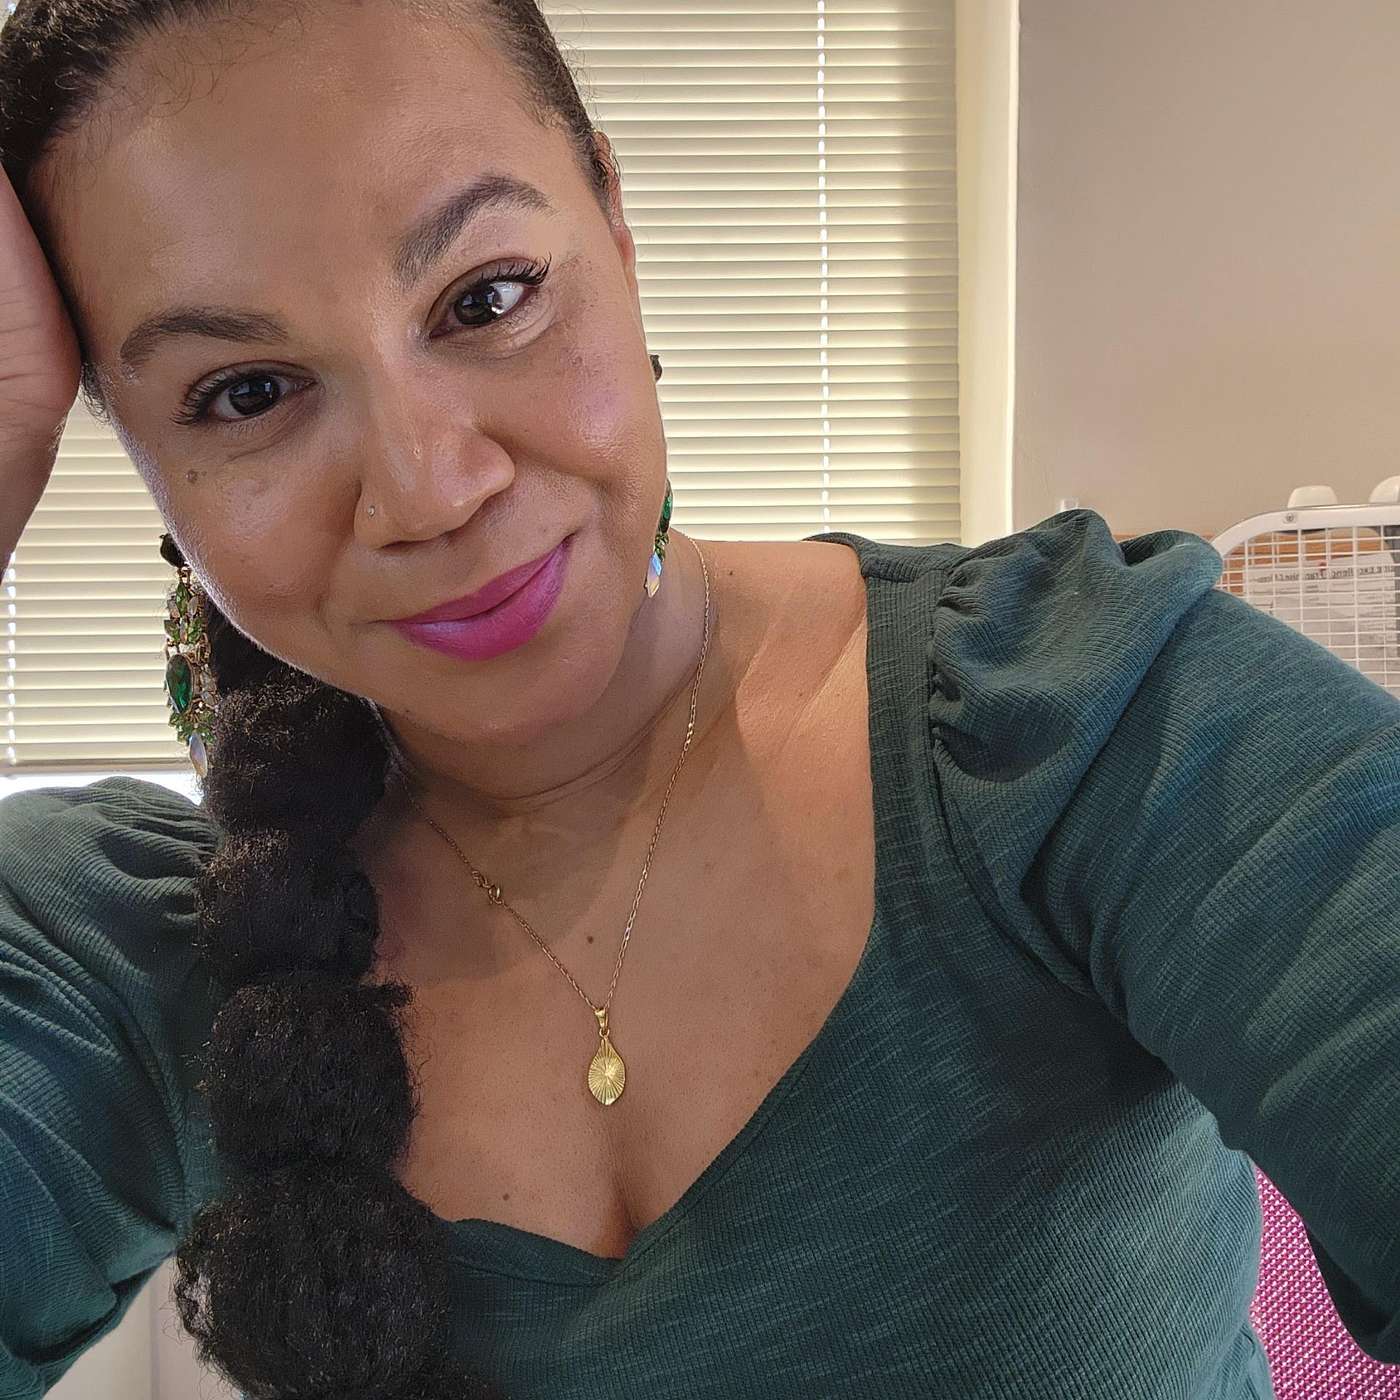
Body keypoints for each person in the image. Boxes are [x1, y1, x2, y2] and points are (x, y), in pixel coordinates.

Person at [0, 1, 1397, 1397]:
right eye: (246, 392)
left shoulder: (1081, 717)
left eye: (487, 298)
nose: (431, 490)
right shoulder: (133, 958)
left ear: (614, 227)